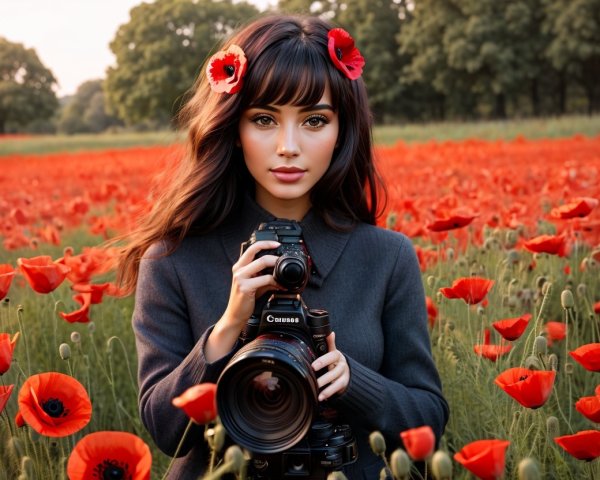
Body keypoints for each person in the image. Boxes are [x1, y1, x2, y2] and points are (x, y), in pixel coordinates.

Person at [117, 13, 448, 480]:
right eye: (264, 119)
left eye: (314, 120)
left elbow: (429, 417)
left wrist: (354, 382)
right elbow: (167, 431)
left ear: (342, 129)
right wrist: (228, 328)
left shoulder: (386, 257)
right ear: (234, 129)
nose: (288, 146)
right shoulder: (174, 261)